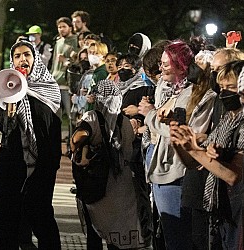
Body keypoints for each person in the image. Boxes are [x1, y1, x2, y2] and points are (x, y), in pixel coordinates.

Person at [144, 40, 216, 249]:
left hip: (176, 171)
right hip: (165, 167)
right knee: (169, 235)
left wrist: (150, 116)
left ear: (182, 65)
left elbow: (185, 133)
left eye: (166, 65)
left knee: (178, 237)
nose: (160, 69)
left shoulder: (200, 95)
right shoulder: (173, 90)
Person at [0, 40, 62, 249]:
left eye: (27, 55)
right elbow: (5, 128)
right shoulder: (3, 88)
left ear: (35, 59)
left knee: (40, 213)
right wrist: (11, 101)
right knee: (8, 216)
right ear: (12, 61)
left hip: (42, 164)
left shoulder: (49, 89)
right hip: (12, 162)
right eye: (17, 56)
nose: (23, 59)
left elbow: (53, 129)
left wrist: (51, 164)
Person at [70, 80, 153, 249]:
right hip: (124, 184)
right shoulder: (125, 122)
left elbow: (78, 137)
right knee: (119, 229)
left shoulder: (93, 117)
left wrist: (80, 146)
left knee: (95, 227)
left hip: (100, 181)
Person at [170, 60, 244, 249]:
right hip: (219, 208)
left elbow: (233, 175)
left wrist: (196, 150)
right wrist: (181, 144)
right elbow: (196, 163)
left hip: (237, 209)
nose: (224, 93)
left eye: (232, 87)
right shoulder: (228, 117)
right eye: (221, 87)